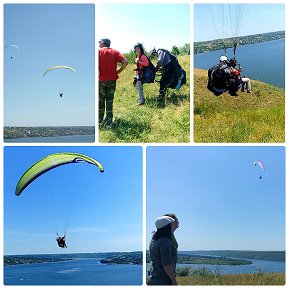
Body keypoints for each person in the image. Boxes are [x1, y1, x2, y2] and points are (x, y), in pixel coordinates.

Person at [98, 38, 128, 128]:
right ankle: (109, 121)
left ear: (103, 43)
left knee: (100, 100)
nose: (99, 44)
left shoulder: (97, 52)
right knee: (109, 100)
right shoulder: (115, 52)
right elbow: (125, 62)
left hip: (100, 80)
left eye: (100, 43)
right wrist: (118, 71)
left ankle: (99, 120)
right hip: (112, 80)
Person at [147, 215, 179, 285]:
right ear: (168, 226)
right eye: (171, 224)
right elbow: (166, 264)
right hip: (163, 280)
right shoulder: (165, 241)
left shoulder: (154, 239)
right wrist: (173, 280)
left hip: (154, 278)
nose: (173, 225)